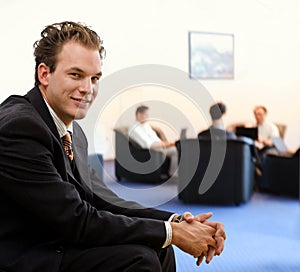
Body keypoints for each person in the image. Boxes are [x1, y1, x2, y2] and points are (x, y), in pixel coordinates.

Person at [0, 21, 225, 272]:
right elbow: (77, 220)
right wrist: (172, 233)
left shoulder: (74, 133)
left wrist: (177, 221)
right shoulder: (21, 128)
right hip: (29, 254)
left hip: (58, 237)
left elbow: (101, 200)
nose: (87, 89)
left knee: (158, 248)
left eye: (94, 78)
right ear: (44, 74)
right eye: (76, 75)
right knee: (141, 258)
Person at [128, 105, 178, 176]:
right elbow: (152, 146)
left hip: (159, 147)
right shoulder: (135, 130)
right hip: (151, 151)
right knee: (175, 150)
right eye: (146, 115)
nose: (148, 117)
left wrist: (171, 143)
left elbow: (157, 141)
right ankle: (173, 175)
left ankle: (175, 173)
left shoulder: (146, 125)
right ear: (139, 115)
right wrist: (170, 144)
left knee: (177, 148)